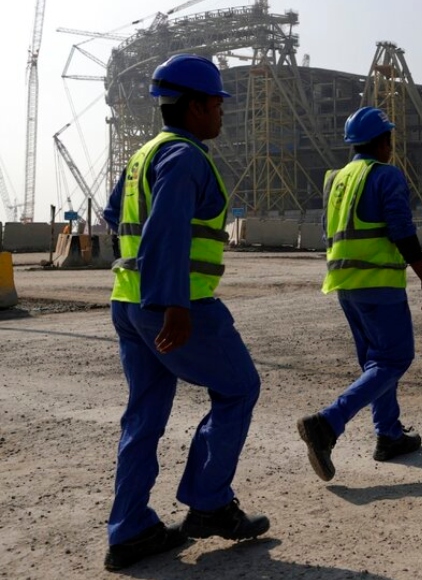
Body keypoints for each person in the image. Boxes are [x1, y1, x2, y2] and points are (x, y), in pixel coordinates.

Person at [102, 54, 269, 571]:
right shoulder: (186, 156)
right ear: (195, 107)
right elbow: (169, 226)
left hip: (128, 303)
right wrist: (175, 303)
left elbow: (115, 216)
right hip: (178, 305)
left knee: (145, 415)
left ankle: (129, 530)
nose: (222, 113)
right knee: (239, 388)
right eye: (217, 103)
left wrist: (150, 293)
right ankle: (209, 504)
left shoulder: (142, 155)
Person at [297, 107, 422, 482]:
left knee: (376, 362)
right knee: (394, 359)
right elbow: (401, 231)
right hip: (379, 283)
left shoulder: (336, 179)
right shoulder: (384, 175)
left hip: (344, 284)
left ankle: (388, 434)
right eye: (389, 139)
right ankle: (328, 423)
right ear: (382, 141)